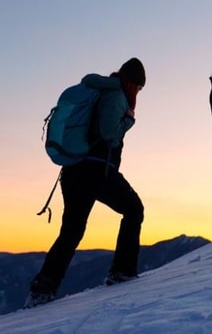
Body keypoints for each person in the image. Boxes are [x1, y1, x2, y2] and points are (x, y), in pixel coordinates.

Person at [26, 57, 146, 307]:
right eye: (139, 87)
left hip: (73, 170)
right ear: (133, 82)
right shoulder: (116, 96)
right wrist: (129, 120)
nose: (138, 92)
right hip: (97, 170)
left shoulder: (99, 90)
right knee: (134, 210)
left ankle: (42, 289)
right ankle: (121, 271)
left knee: (71, 231)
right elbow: (108, 131)